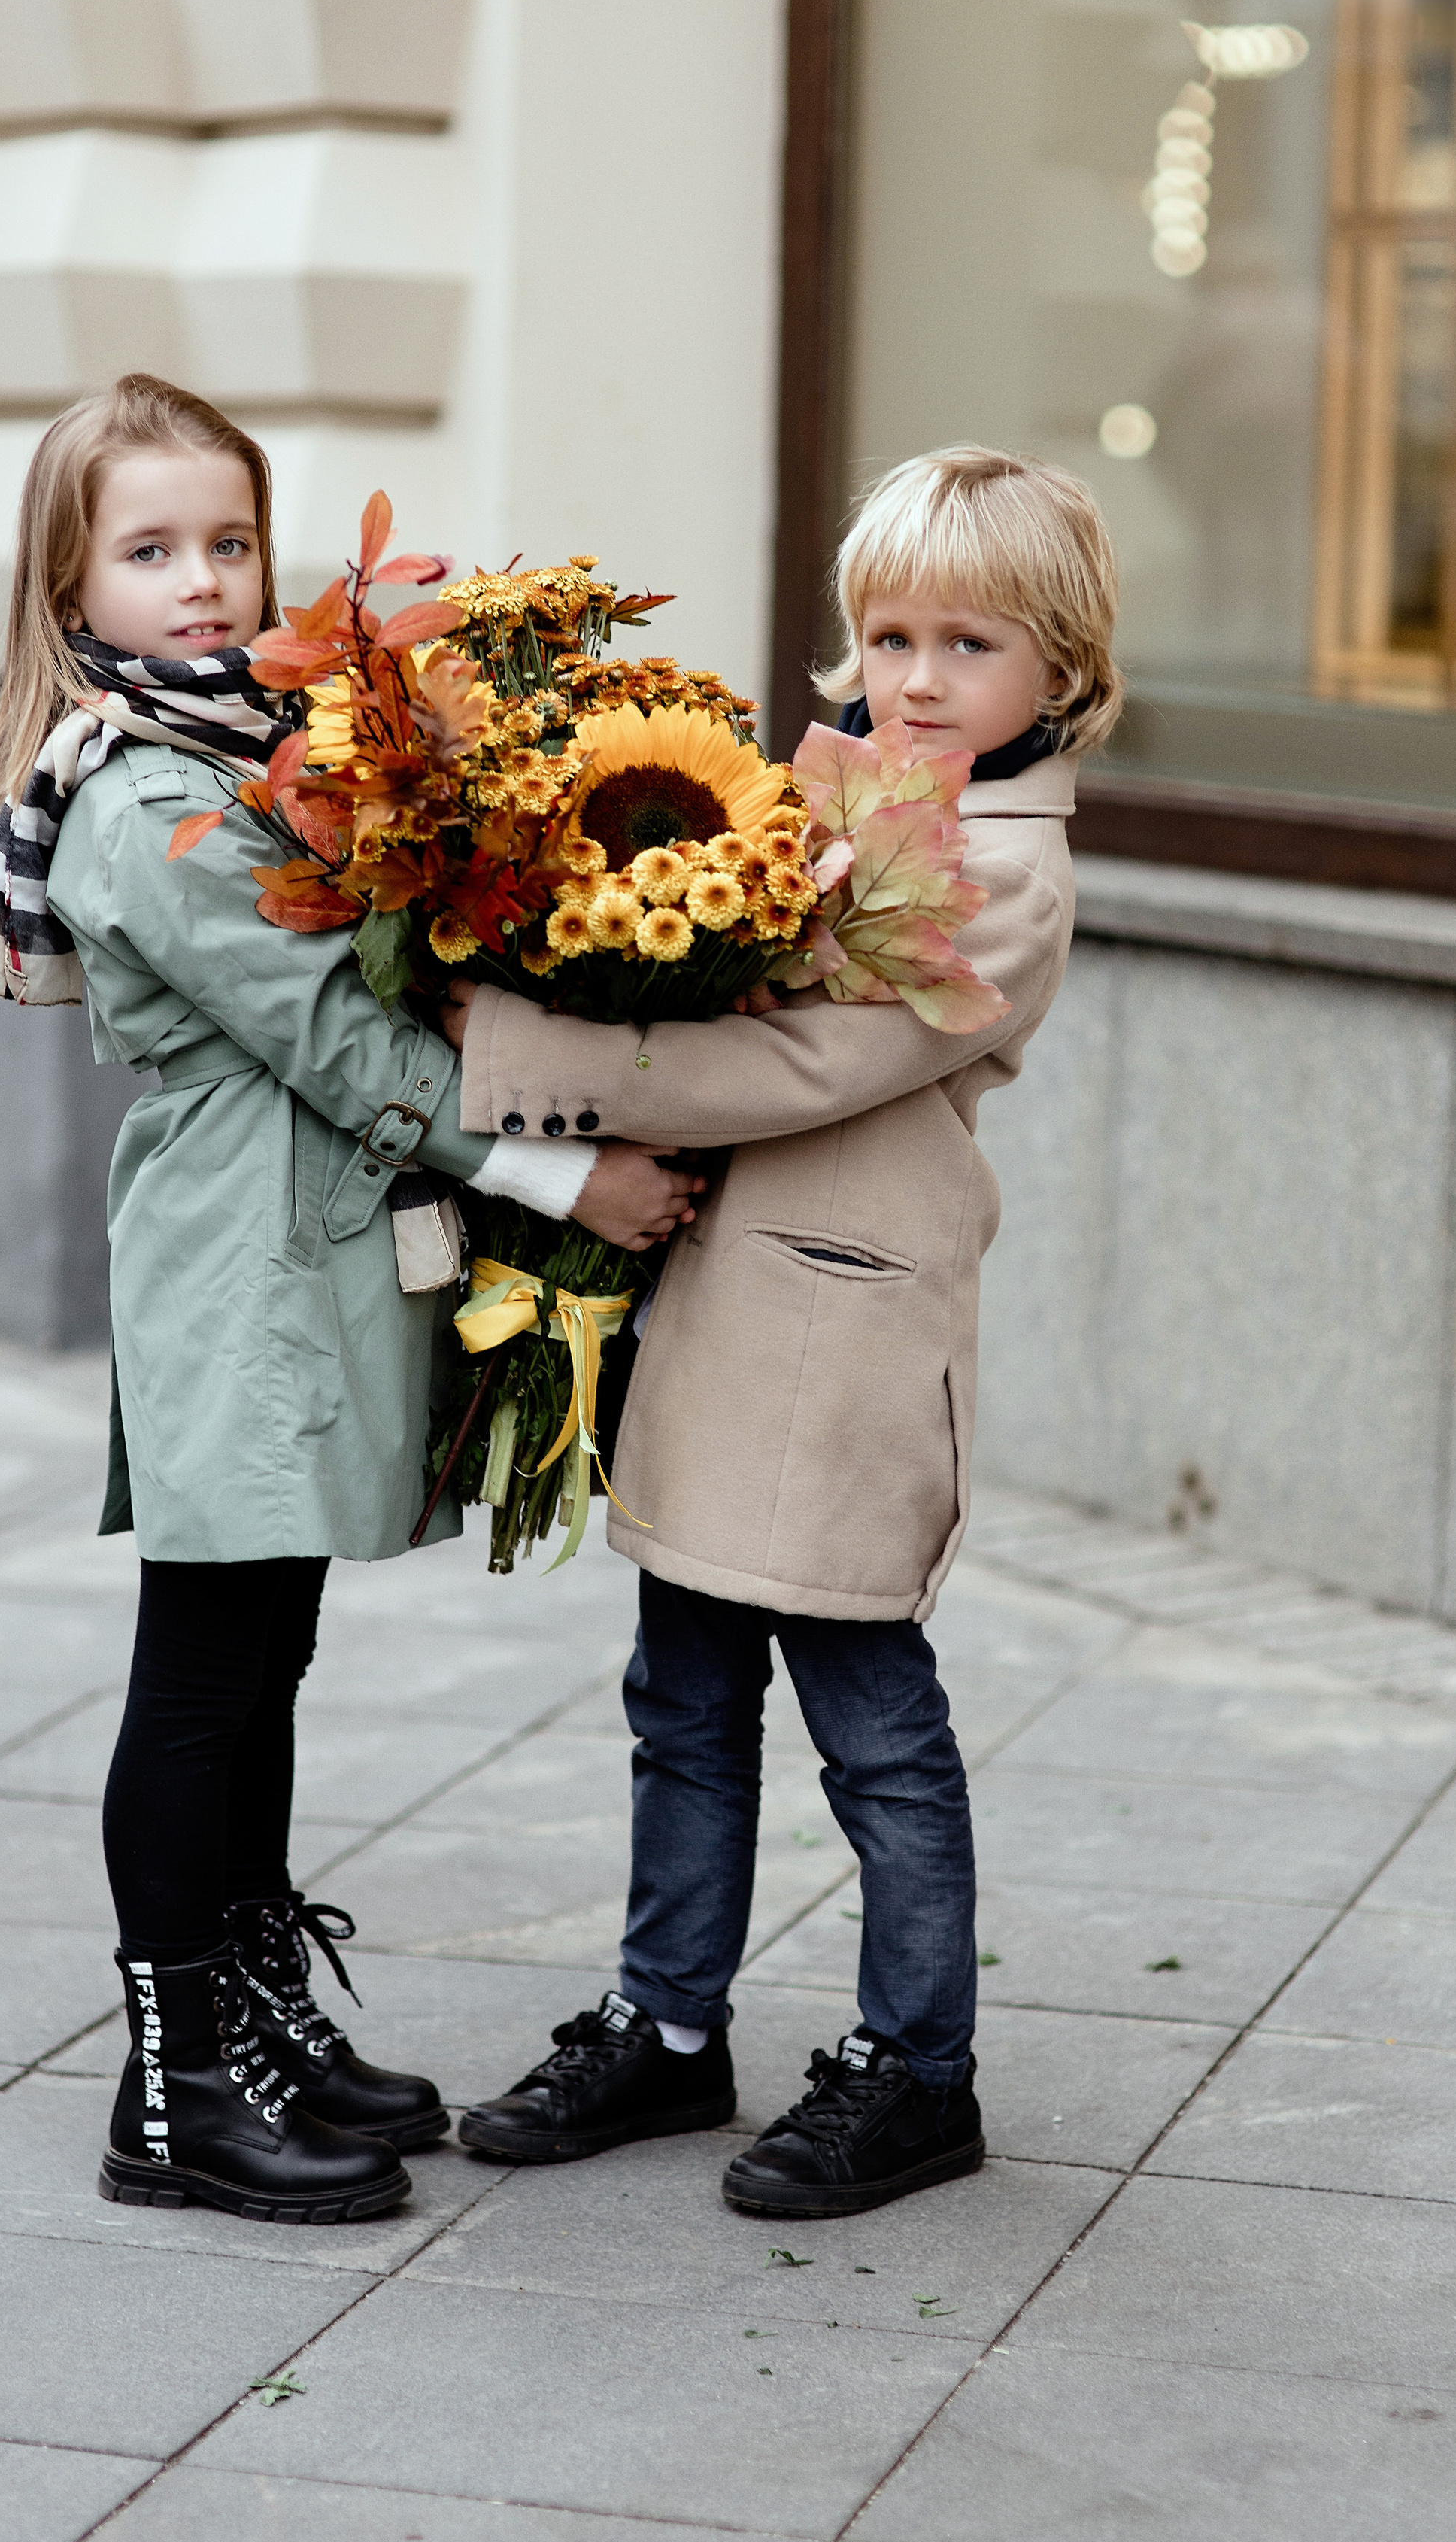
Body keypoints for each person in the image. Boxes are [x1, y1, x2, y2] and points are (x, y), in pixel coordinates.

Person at [0, 373, 690, 2224]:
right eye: (150, 547)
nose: (201, 580)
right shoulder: (136, 804)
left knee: (259, 1653)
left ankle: (251, 2016)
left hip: (304, 1248)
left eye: (228, 541)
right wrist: (560, 1168)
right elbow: (328, 1038)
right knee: (200, 1671)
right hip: (238, 1260)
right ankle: (174, 2092)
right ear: (68, 586)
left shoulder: (259, 746)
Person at [444, 446, 1122, 2217]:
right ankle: (665, 2028)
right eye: (883, 634)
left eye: (963, 644)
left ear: (1060, 671)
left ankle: (917, 2069)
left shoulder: (1000, 876)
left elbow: (809, 1061)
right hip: (723, 1294)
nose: (909, 678)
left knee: (866, 1709)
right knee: (681, 1694)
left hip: (840, 1323)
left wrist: (529, 1059)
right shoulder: (820, 805)